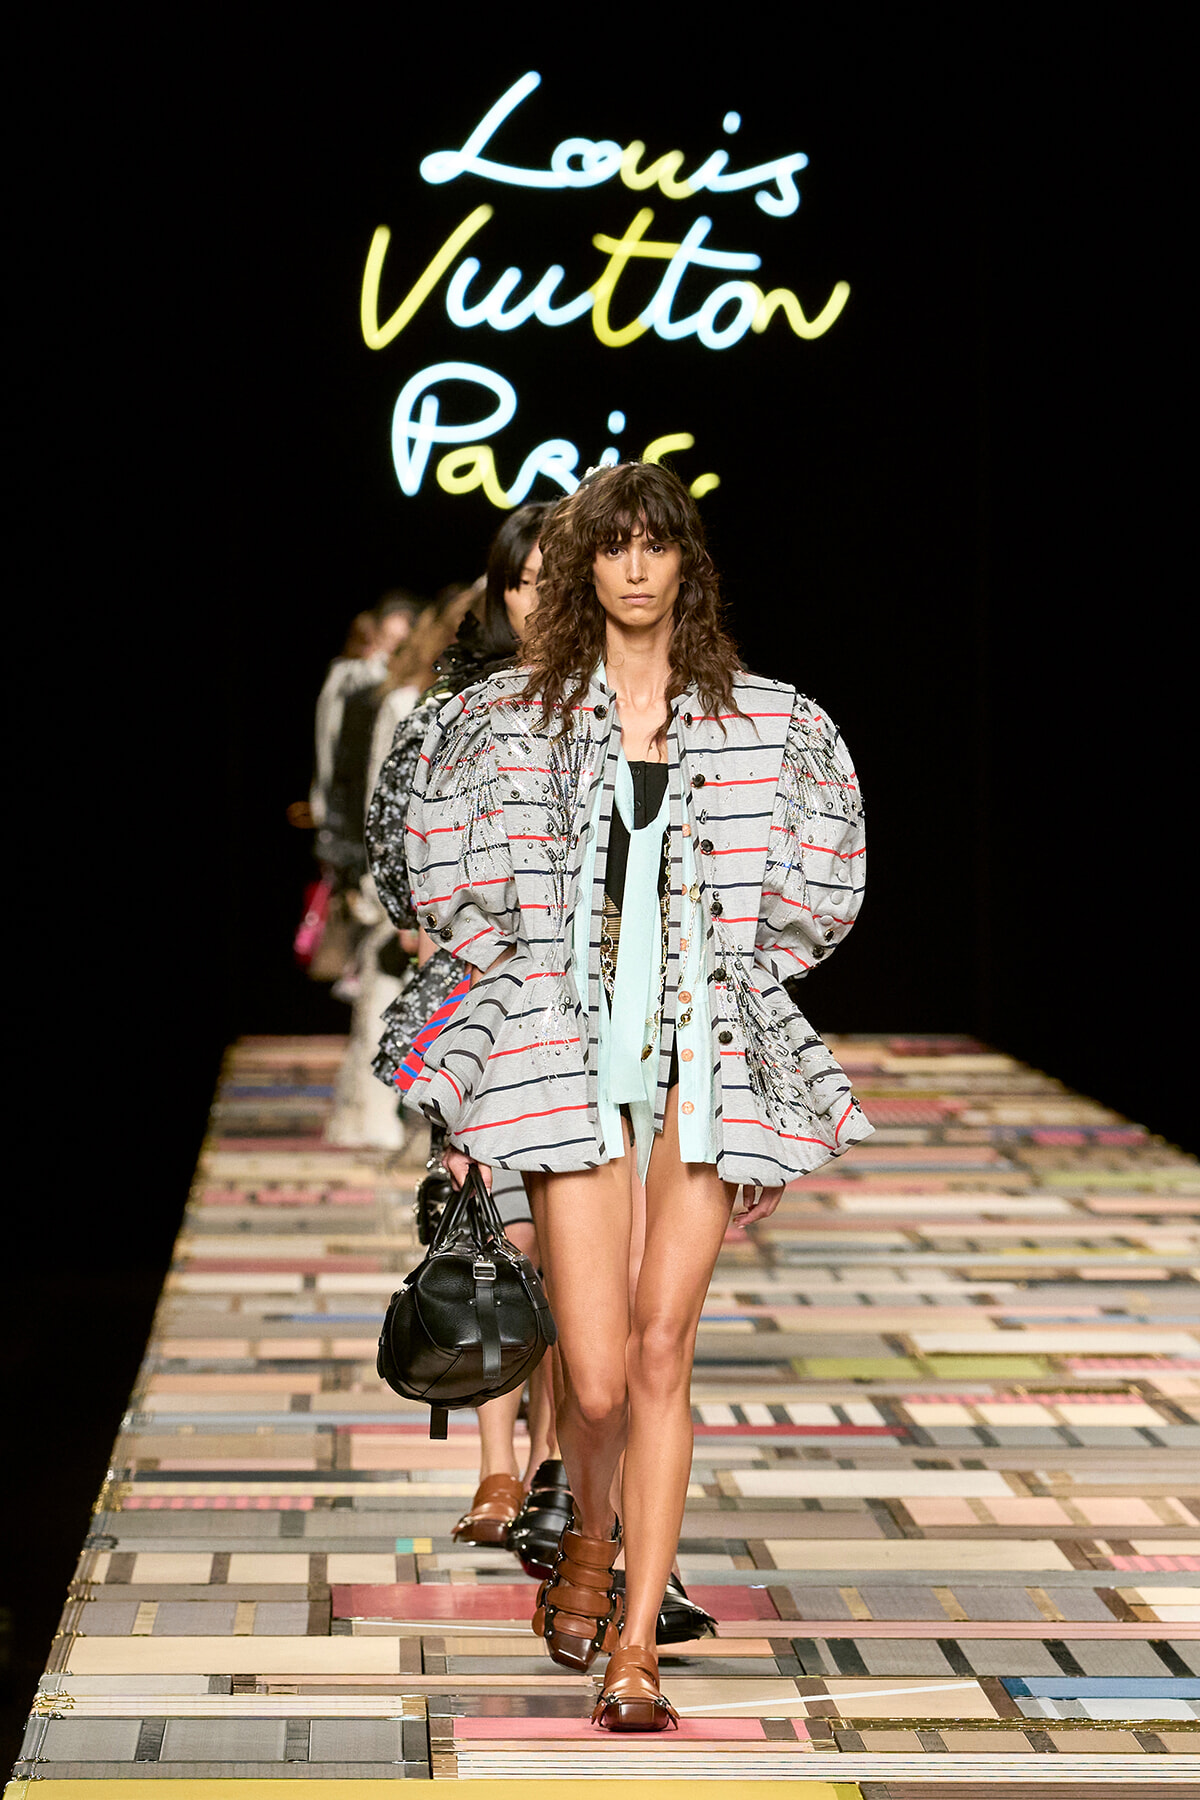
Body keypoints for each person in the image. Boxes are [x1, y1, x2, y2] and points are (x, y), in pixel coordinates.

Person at [400, 461, 873, 1729]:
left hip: (703, 1073)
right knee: (595, 1383)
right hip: (571, 1070)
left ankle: (635, 1653)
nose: (636, 567)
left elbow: (815, 900)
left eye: (660, 545)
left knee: (664, 1353)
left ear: (688, 567)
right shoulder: (514, 722)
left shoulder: (767, 724)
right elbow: (445, 892)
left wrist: (751, 1019)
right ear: (587, 568)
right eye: (614, 547)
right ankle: (593, 1538)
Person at [367, 507, 561, 1547]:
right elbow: (396, 841)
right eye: (519, 580)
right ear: (497, 592)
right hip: (481, 1009)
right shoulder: (450, 708)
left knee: (579, 1257)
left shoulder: (618, 705)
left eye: (550, 577)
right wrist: (432, 926)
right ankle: (497, 1465)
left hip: (586, 1016)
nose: (536, 597)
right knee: (494, 1232)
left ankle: (550, 1465)